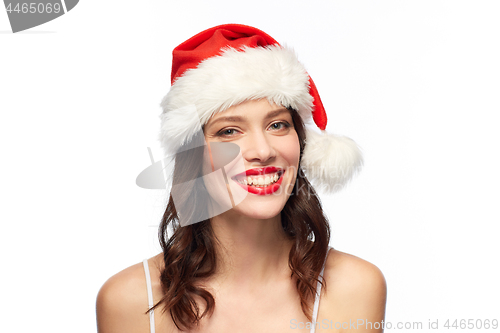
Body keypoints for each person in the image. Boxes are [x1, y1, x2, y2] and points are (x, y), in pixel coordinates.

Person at [96, 24, 387, 333]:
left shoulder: (355, 287)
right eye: (229, 131)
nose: (262, 151)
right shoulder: (129, 300)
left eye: (277, 125)